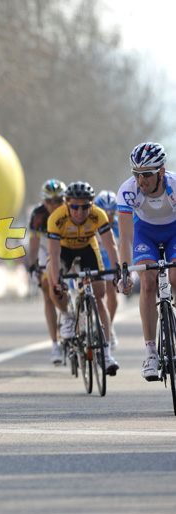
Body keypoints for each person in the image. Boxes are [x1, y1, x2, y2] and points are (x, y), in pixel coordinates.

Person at [46, 181, 120, 375]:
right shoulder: (56, 218)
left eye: (85, 206)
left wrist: (118, 271)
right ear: (67, 205)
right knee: (52, 278)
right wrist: (57, 282)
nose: (80, 212)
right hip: (64, 251)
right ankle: (68, 316)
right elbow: (54, 255)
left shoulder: (98, 215)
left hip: (88, 248)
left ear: (92, 205)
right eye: (75, 207)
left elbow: (111, 246)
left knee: (100, 295)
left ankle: (105, 353)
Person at [117, 143, 176, 381]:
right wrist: (125, 274)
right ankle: (151, 351)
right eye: (136, 173)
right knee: (149, 281)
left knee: (175, 277)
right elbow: (126, 238)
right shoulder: (128, 190)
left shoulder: (174, 186)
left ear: (161, 172)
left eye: (147, 174)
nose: (141, 179)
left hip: (174, 232)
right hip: (146, 234)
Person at [27, 179, 67, 364]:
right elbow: (34, 245)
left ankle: (77, 311)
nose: (54, 205)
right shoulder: (37, 214)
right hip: (46, 247)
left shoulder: (70, 211)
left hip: (67, 245)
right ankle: (55, 343)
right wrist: (33, 264)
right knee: (46, 288)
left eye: (58, 200)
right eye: (50, 201)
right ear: (43, 201)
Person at [94, 190, 120, 350]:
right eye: (105, 212)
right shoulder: (91, 222)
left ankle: (108, 326)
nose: (109, 216)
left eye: (112, 212)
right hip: (94, 257)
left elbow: (122, 247)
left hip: (109, 258)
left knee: (111, 293)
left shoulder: (118, 224)